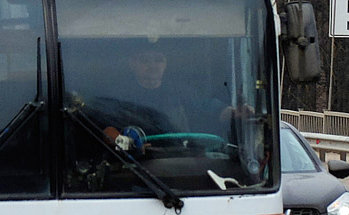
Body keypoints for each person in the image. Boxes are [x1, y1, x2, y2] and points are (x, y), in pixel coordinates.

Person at [89, 42, 241, 153]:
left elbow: (209, 108)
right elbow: (106, 129)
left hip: (180, 159)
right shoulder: (120, 95)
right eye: (145, 60)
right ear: (132, 63)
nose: (153, 66)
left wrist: (236, 113)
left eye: (158, 60)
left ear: (166, 63)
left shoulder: (182, 91)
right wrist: (126, 144)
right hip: (136, 165)